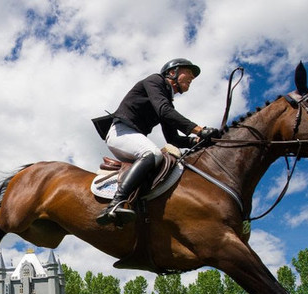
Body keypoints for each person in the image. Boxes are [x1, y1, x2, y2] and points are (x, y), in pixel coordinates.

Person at [95, 58, 222, 226]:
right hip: (120, 132)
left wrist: (198, 140)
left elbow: (173, 139)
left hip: (131, 135)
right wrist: (199, 129)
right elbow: (164, 111)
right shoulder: (155, 81)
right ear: (172, 72)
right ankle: (116, 204)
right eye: (189, 72)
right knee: (152, 153)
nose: (192, 77)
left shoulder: (166, 102)